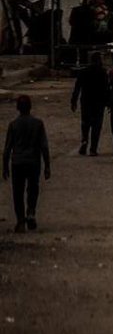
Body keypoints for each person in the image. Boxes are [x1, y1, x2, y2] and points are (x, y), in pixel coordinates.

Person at [3, 95, 50, 232]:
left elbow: (7, 148)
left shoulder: (13, 125)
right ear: (30, 107)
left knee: (18, 192)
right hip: (33, 161)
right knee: (33, 188)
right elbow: (44, 146)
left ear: (17, 108)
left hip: (17, 162)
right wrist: (47, 166)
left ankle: (20, 221)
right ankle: (31, 212)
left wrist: (5, 166)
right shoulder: (38, 123)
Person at [71, 52, 109, 156]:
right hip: (99, 102)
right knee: (96, 125)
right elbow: (106, 89)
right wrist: (108, 102)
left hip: (86, 101)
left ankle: (84, 140)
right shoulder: (103, 72)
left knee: (85, 123)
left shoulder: (83, 72)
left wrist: (73, 101)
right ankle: (93, 149)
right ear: (99, 60)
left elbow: (77, 88)